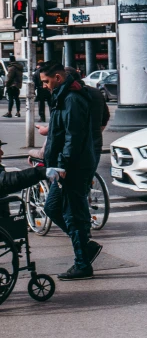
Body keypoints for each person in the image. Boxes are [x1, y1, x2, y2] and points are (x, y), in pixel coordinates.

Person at [40, 61, 101, 280]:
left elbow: (72, 136)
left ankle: (82, 264)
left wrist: (62, 165)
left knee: (73, 214)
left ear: (58, 77)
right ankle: (86, 248)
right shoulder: (63, 96)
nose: (45, 86)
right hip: (66, 165)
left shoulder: (72, 98)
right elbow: (59, 133)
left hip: (73, 167)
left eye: (46, 81)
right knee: (53, 207)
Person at [65, 67, 110, 170]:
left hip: (77, 147)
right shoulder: (97, 93)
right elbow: (105, 117)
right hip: (95, 143)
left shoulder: (70, 96)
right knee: (87, 180)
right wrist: (96, 132)